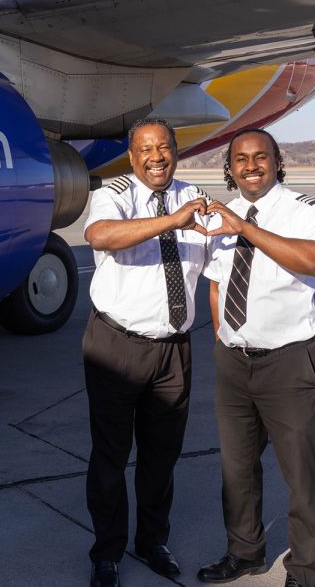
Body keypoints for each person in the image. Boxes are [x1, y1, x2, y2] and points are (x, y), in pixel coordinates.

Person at [197, 129, 315, 587]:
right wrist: (222, 337)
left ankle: (304, 570)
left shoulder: (308, 211)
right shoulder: (220, 217)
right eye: (241, 158)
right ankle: (245, 553)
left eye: (261, 157)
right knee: (236, 469)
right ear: (230, 167)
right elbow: (218, 282)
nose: (251, 165)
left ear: (278, 163)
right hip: (235, 362)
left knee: (302, 475)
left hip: (288, 361)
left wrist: (247, 230)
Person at [82, 117, 211, 587]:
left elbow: (218, 258)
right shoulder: (115, 193)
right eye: (146, 149)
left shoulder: (195, 195)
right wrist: (173, 220)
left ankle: (153, 540)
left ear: (176, 151)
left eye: (164, 148)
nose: (156, 157)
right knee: (111, 456)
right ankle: (107, 552)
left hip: (174, 348)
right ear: (133, 156)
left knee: (162, 455)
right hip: (118, 345)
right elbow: (99, 236)